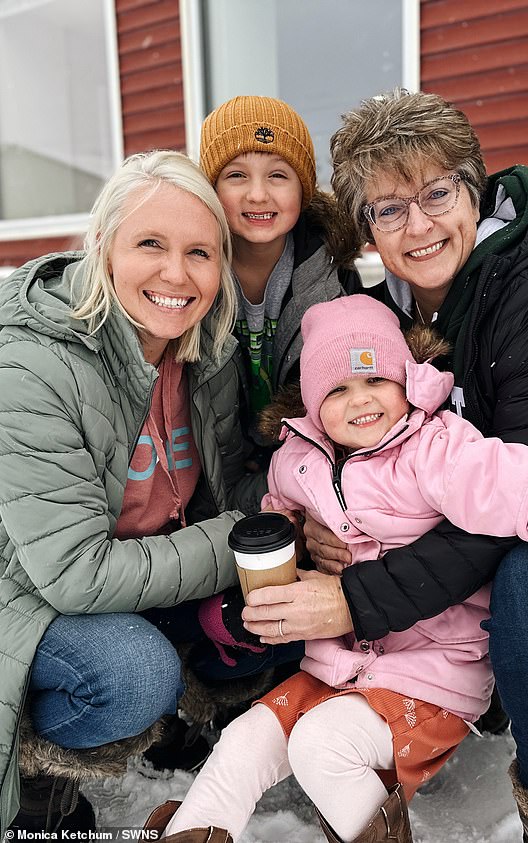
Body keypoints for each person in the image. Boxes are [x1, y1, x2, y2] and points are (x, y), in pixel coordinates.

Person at [240, 90, 528, 842]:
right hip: (453, 578)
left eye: (436, 192)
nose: (417, 224)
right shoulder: (381, 321)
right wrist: (327, 517)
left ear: (475, 189)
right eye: (388, 209)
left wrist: (357, 595)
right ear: (367, 230)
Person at [146, 295, 528, 843]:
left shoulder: (437, 451)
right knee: (244, 741)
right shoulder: (298, 459)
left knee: (321, 745)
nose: (361, 401)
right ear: (311, 404)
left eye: (376, 379)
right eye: (337, 389)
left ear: (407, 381)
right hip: (337, 666)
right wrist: (290, 544)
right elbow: (278, 511)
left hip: (432, 676)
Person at [0, 150, 267, 835]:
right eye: (150, 243)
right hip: (28, 593)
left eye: (200, 252)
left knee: (278, 607)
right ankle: (41, 779)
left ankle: (185, 730)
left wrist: (299, 508)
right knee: (132, 673)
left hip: (143, 570)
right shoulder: (34, 363)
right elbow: (73, 575)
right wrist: (241, 536)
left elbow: (225, 484)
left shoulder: (205, 350)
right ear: (102, 248)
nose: (177, 274)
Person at [189, 95, 361, 686]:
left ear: (304, 189)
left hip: (310, 483)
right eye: (236, 175)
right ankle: (219, 678)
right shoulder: (188, 277)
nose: (258, 195)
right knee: (224, 621)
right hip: (215, 485)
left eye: (278, 175)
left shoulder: (332, 277)